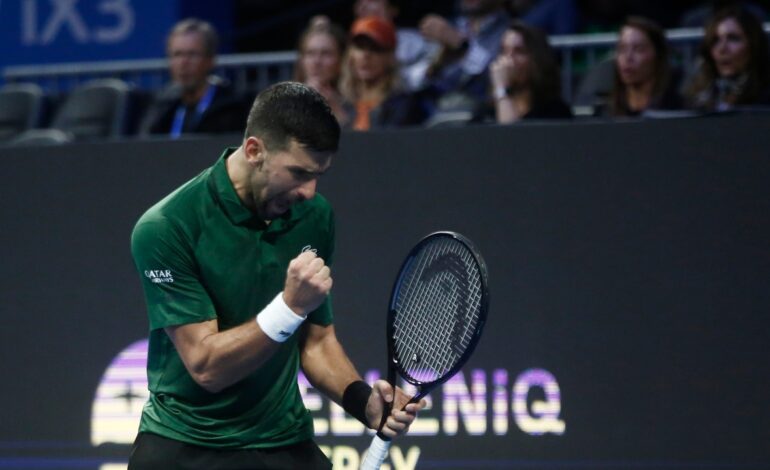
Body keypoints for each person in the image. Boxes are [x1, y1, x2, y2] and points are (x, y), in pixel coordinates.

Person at [128, 82, 424, 469]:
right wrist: (289, 308)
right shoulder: (167, 226)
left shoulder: (314, 216)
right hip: (186, 445)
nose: (309, 191)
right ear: (254, 150)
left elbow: (316, 342)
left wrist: (363, 402)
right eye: (298, 172)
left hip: (284, 440)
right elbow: (206, 366)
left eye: (318, 175)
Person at [139, 18, 247, 137]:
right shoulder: (162, 107)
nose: (183, 63)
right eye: (177, 54)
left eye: (192, 54)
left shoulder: (230, 108)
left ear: (210, 60)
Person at [416, 0, 511, 113]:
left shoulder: (510, 31)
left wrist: (462, 47)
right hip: (436, 112)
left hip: (483, 114)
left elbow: (494, 74)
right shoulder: (450, 25)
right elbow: (414, 81)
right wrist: (436, 64)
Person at [340, 16, 426, 130]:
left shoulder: (403, 105)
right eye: (360, 47)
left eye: (375, 49)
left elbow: (384, 140)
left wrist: (342, 121)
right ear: (350, 54)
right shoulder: (341, 102)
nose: (366, 55)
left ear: (390, 57)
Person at [684, 6, 770, 112]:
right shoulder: (697, 98)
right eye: (715, 40)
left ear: (753, 44)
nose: (722, 49)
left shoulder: (765, 99)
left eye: (733, 38)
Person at [488, 21, 572, 123]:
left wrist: (502, 91)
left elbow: (511, 133)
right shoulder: (487, 113)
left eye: (519, 51)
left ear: (537, 59)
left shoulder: (555, 112)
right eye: (504, 51)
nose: (508, 60)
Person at [353, 0, 440, 90]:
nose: (366, 6)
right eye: (361, 2)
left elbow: (422, 77)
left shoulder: (413, 42)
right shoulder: (349, 47)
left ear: (393, 10)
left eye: (374, 1)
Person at [605, 16, 682, 117]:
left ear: (658, 55)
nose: (628, 57)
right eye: (622, 49)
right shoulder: (608, 110)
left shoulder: (677, 106)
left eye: (639, 49)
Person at [294, 16, 350, 126]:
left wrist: (336, 110)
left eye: (326, 53)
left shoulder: (356, 101)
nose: (316, 61)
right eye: (310, 53)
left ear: (341, 59)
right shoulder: (284, 101)